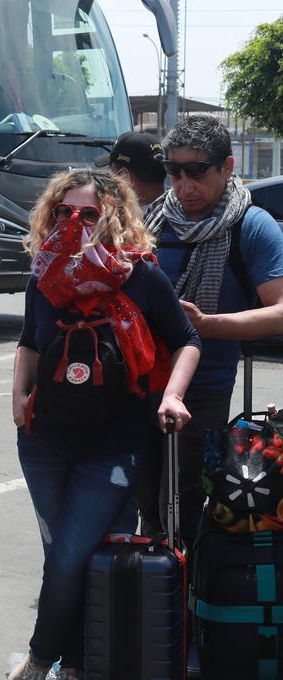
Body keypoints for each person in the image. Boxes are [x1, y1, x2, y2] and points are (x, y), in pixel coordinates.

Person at [8, 168, 200, 680]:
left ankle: (41, 660)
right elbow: (29, 339)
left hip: (113, 446)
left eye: (88, 213)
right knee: (64, 554)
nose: (75, 222)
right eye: (64, 212)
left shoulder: (140, 275)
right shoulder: (44, 274)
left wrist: (173, 396)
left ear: (111, 215)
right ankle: (78, 662)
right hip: (43, 440)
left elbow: (187, 340)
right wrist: (18, 396)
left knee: (71, 555)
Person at [139, 114, 283, 548]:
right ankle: (150, 594)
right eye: (175, 172)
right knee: (143, 501)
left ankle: (185, 600)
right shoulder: (151, 222)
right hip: (137, 383)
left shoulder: (251, 226)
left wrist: (205, 325)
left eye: (197, 172)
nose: (184, 185)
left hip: (202, 389)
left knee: (184, 505)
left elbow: (280, 311)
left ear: (228, 166)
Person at [96, 131, 167, 213]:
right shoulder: (180, 211)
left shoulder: (121, 221)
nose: (110, 177)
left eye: (112, 169)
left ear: (124, 176)